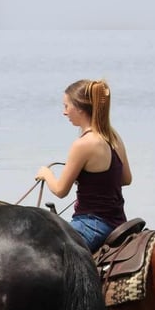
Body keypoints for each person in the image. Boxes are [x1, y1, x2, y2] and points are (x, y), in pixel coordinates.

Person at [35, 79, 133, 253]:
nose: (64, 112)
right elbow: (126, 179)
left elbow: (60, 190)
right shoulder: (114, 137)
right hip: (118, 222)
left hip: (91, 224)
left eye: (66, 106)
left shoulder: (83, 144)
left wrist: (46, 173)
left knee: (43, 254)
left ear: (80, 108)